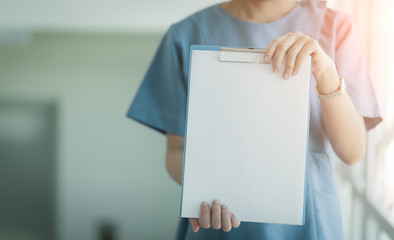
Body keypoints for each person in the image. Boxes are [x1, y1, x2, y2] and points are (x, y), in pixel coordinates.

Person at [126, 0, 383, 239]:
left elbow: (352, 151)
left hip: (309, 226)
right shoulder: (185, 35)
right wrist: (207, 189)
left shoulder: (336, 27)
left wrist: (325, 72)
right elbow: (176, 151)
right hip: (217, 224)